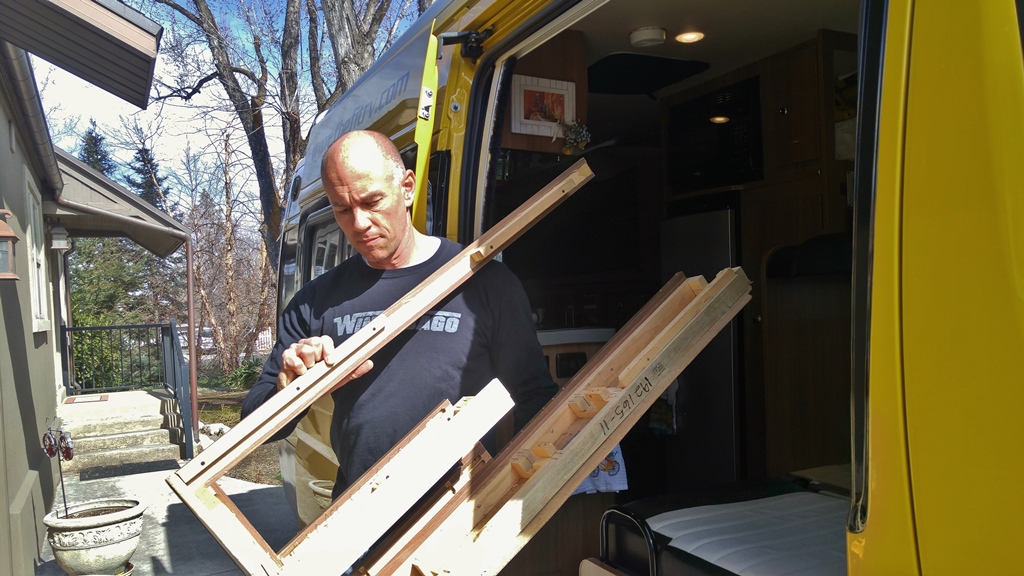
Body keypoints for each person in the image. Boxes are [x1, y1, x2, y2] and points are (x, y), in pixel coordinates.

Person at [242, 130, 557, 499]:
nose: (359, 223)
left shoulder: (484, 283)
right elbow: (255, 424)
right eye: (343, 209)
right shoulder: (316, 300)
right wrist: (291, 385)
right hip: (359, 517)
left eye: (372, 201)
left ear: (407, 188)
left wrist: (518, 494)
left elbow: (535, 399)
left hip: (462, 515)